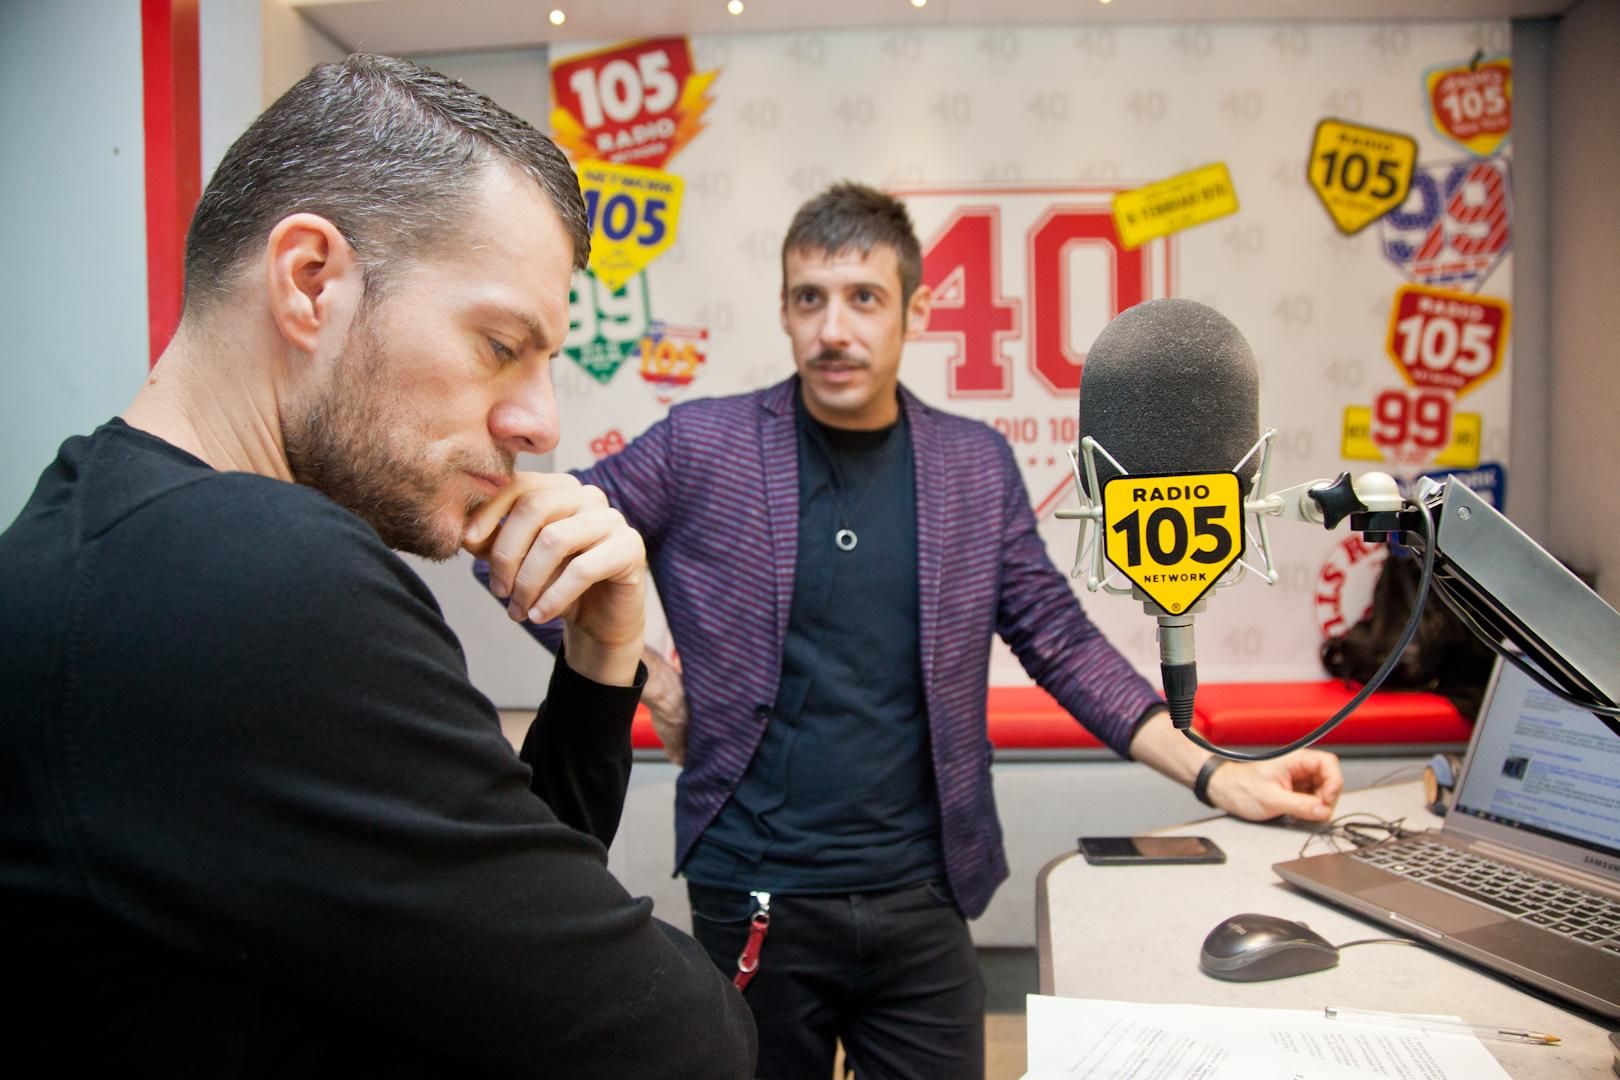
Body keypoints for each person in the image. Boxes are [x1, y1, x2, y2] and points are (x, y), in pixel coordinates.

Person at [481, 182, 1343, 1080]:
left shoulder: (973, 464)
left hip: (926, 891)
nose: (834, 329)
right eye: (810, 298)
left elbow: (1061, 641)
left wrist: (1217, 773)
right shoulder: (705, 444)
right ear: (783, 310)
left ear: (914, 312)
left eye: (864, 298)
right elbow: (518, 535)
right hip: (754, 888)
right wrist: (646, 679)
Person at [0, 54, 754, 1078]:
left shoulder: (90, 531)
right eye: (501, 345)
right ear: (311, 281)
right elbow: (675, 1042)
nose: (540, 423)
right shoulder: (270, 582)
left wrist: (598, 659)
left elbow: (495, 946)